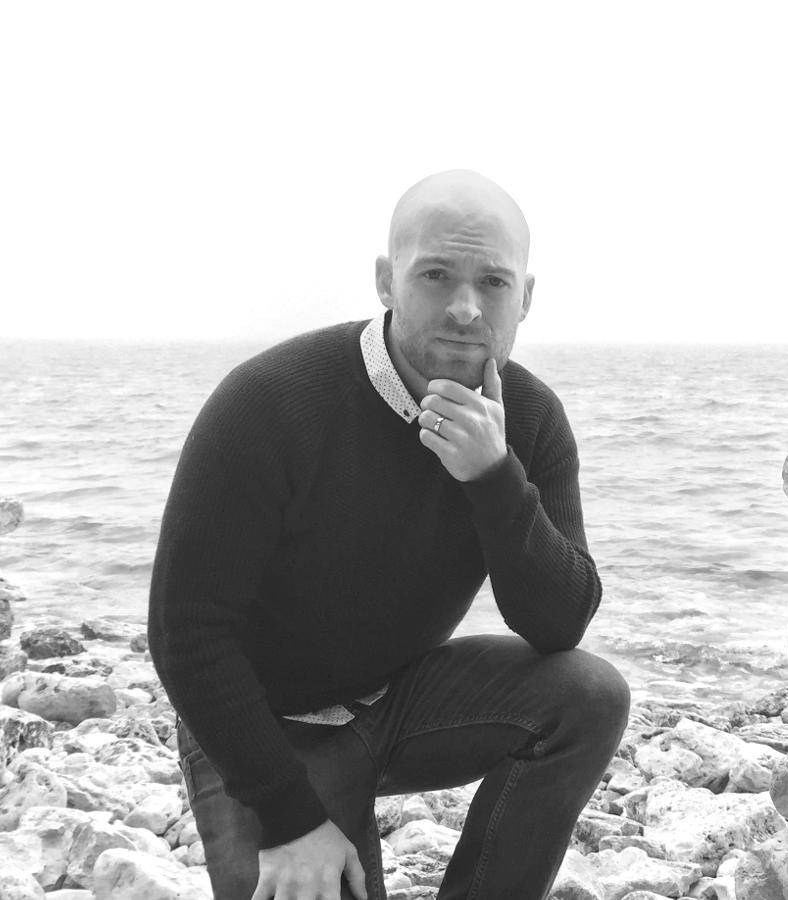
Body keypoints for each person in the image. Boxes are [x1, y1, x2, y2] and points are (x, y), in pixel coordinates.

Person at [148, 170, 630, 900]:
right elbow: (186, 633)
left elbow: (559, 624)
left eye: (494, 284)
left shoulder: (528, 420)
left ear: (525, 298)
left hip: (395, 704)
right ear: (385, 280)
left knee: (588, 695)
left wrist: (493, 477)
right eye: (436, 275)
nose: (467, 309)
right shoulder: (269, 402)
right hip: (258, 724)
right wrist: (289, 818)